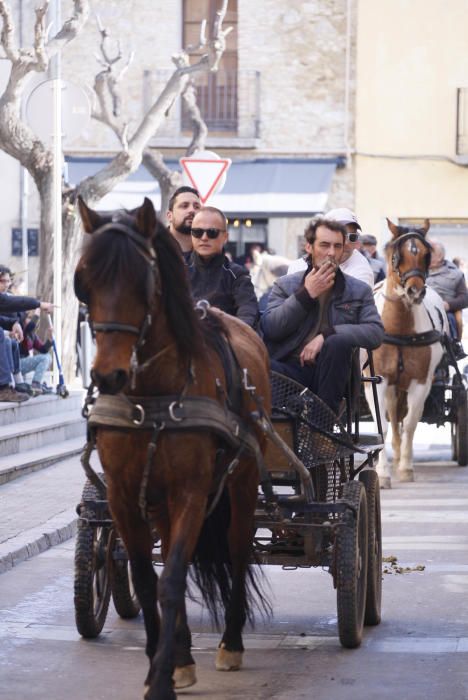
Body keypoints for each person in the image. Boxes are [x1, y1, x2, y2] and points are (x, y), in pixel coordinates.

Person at [262, 218, 384, 415]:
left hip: (334, 372)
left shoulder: (357, 290)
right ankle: (279, 432)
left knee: (337, 343)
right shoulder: (285, 285)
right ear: (309, 247)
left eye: (338, 246)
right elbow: (272, 329)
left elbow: (375, 332)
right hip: (289, 369)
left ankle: (323, 429)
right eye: (324, 245)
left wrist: (328, 334)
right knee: (263, 365)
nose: (331, 253)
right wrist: (305, 294)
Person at [187, 206, 259, 328]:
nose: (204, 238)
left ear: (225, 237)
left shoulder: (238, 274)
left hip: (224, 341)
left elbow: (248, 312)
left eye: (212, 232)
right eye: (197, 232)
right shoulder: (177, 271)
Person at [288, 208, 375, 289]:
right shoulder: (297, 267)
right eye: (339, 235)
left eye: (352, 237)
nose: (346, 242)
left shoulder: (361, 272)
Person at [426, 240, 468, 355]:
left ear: (439, 256)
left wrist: (448, 305)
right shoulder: (417, 271)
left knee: (448, 320)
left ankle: (451, 349)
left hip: (445, 311)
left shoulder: (456, 274)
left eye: (429, 252)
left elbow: (465, 298)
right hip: (420, 309)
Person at [19, 313, 53, 394]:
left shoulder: (32, 335)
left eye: (32, 318)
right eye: (29, 318)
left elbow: (43, 349)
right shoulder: (21, 331)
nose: (32, 320)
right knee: (45, 358)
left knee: (47, 357)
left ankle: (36, 384)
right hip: (16, 363)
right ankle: (35, 384)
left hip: (24, 364)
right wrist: (38, 309)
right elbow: (31, 325)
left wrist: (49, 339)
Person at [166, 186, 201, 260]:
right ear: (170, 216)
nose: (192, 210)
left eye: (196, 207)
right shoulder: (153, 249)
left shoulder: (210, 253)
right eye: (184, 206)